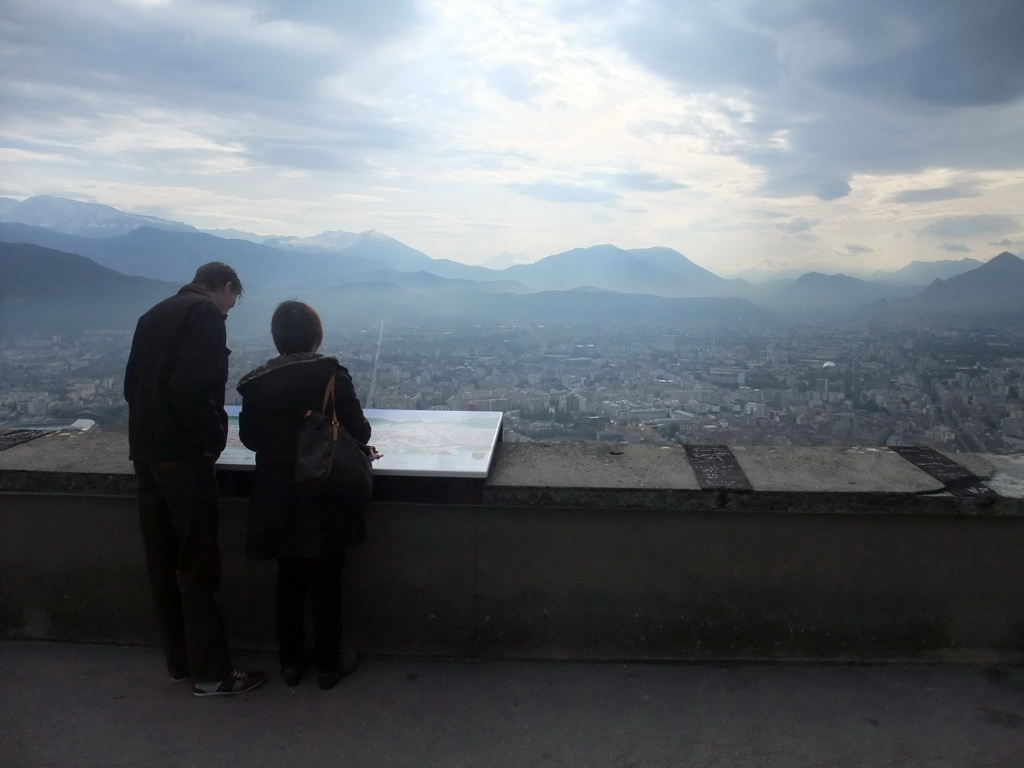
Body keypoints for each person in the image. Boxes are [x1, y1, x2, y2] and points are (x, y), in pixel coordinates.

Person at [124, 262, 266, 697]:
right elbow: (194, 387)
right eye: (232, 301)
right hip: (183, 459)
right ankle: (212, 673)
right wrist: (212, 440)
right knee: (197, 564)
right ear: (224, 288)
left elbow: (132, 386)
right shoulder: (204, 315)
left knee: (162, 561)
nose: (228, 311)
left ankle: (179, 662)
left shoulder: (155, 313)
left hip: (146, 453)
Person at [237, 300, 374, 690]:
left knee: (289, 580)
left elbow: (250, 439)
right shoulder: (331, 375)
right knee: (328, 579)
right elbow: (360, 432)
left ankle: (291, 663)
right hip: (326, 490)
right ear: (317, 336)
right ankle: (329, 665)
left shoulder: (256, 383)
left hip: (278, 494)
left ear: (277, 339)